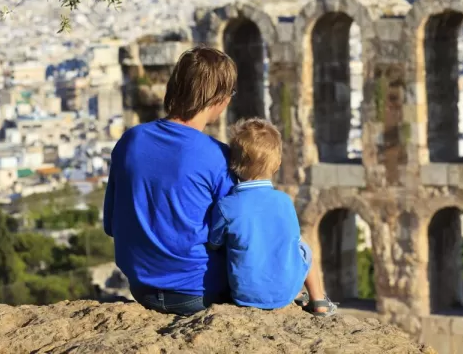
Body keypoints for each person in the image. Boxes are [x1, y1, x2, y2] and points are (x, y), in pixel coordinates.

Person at [103, 46, 238, 316]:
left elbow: (111, 225)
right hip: (199, 292)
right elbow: (236, 236)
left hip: (141, 288)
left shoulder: (130, 141)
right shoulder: (218, 157)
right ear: (221, 99)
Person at [207, 118, 337, 316]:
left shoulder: (227, 206)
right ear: (277, 165)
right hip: (287, 292)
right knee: (303, 245)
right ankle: (318, 299)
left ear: (232, 164)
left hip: (244, 294)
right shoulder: (284, 201)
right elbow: (291, 240)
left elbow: (214, 243)